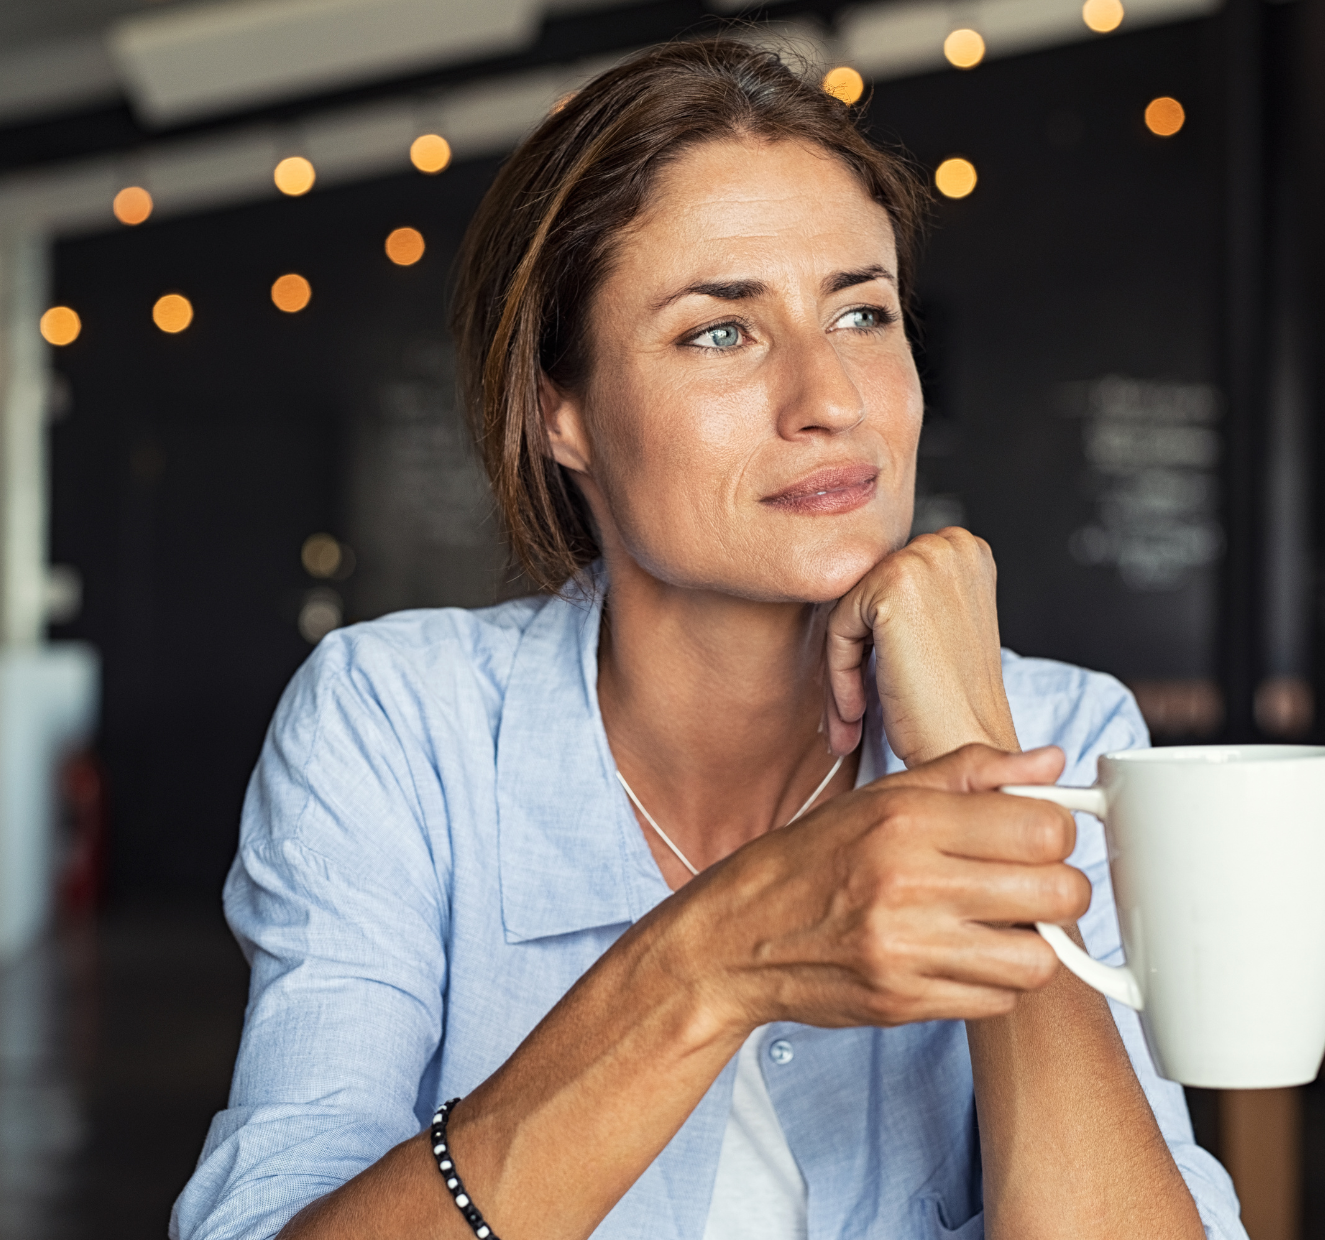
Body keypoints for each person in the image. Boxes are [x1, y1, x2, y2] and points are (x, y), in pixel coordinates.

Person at [171, 38, 1242, 1240]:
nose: (830, 398)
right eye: (720, 333)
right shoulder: (397, 724)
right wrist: (712, 960)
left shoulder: (1060, 734)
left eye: (862, 312)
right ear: (558, 410)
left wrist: (968, 755)